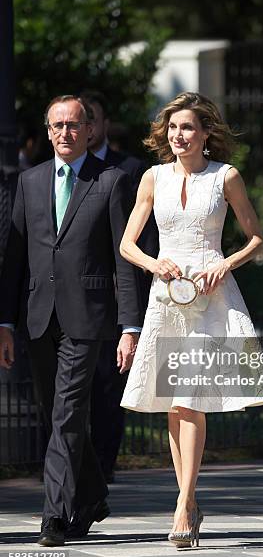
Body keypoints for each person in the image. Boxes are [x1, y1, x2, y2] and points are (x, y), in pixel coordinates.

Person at [119, 91, 263, 548]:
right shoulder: (152, 178)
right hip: (167, 297)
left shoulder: (225, 177)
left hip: (212, 297)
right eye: (172, 128)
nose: (178, 135)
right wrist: (155, 264)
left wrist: (223, 263)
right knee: (176, 403)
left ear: (206, 132)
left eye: (187, 127)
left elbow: (255, 237)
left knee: (189, 398)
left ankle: (183, 504)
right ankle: (187, 501)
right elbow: (128, 244)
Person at [0, 95, 144, 547]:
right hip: (37, 317)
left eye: (74, 125)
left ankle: (54, 516)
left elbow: (125, 259)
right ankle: (92, 494)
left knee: (65, 416)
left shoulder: (113, 182)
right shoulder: (29, 181)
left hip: (88, 318)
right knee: (54, 414)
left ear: (89, 131)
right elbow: (15, 259)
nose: (65, 133)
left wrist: (130, 326)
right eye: (57, 125)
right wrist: (4, 323)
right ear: (48, 132)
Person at [80, 90, 158, 483]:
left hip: (117, 294)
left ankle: (103, 468)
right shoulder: (58, 169)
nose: (85, 127)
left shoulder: (129, 169)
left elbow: (143, 237)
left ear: (103, 124)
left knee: (111, 389)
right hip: (76, 298)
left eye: (90, 118)